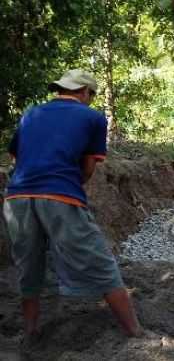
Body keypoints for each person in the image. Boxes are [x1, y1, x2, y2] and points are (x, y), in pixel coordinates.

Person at [3, 69, 151, 338]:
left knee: (29, 264)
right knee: (100, 262)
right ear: (86, 92)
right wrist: (69, 183)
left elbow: (16, 159)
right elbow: (88, 168)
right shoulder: (93, 117)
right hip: (59, 195)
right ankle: (135, 330)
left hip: (16, 198)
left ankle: (29, 332)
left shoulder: (31, 114)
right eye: (91, 96)